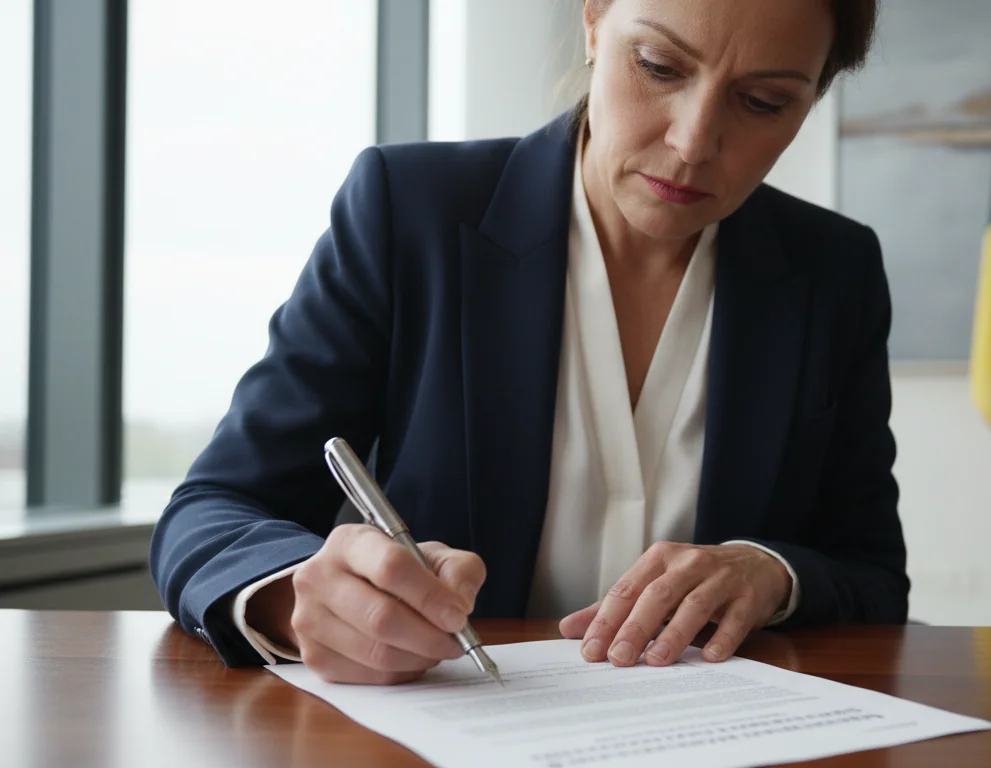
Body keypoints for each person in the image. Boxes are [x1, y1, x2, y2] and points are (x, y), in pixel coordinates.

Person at [149, 0, 908, 685]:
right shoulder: (405, 211)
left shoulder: (833, 270)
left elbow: (872, 574)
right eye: (658, 67)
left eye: (763, 102)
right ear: (593, 20)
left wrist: (770, 573)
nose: (693, 140)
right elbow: (214, 508)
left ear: (812, 99)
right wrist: (296, 596)